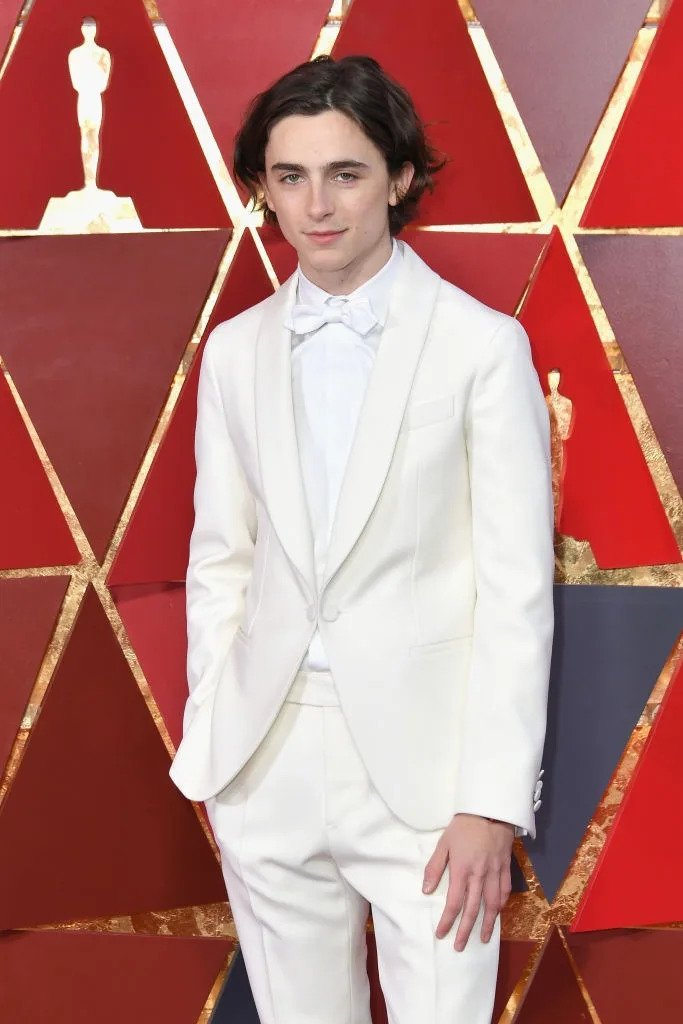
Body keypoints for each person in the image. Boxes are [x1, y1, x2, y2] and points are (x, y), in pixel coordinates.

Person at [170, 54, 554, 1024]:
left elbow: (514, 591)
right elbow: (221, 559)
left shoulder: (480, 346)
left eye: (344, 173)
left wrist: (489, 800)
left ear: (398, 177)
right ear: (262, 189)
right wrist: (218, 733)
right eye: (289, 176)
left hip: (429, 783)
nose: (316, 205)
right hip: (265, 763)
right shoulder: (233, 351)